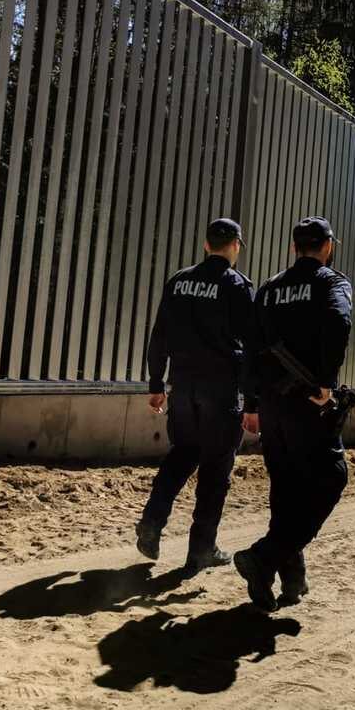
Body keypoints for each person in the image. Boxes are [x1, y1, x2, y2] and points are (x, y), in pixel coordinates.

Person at [234, 217, 353, 612]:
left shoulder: (269, 288)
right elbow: (339, 321)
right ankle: (263, 558)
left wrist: (250, 403)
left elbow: (250, 345)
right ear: (327, 247)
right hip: (309, 403)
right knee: (330, 479)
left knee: (286, 491)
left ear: (293, 247)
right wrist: (325, 381)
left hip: (270, 405)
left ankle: (288, 582)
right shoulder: (332, 282)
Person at [135, 218, 255, 574]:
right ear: (235, 246)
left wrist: (156, 384)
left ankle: (152, 521)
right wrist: (252, 401)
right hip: (220, 391)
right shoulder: (237, 285)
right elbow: (251, 348)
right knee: (216, 470)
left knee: (182, 455)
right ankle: (201, 548)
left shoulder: (179, 281)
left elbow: (159, 336)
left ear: (206, 245)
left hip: (183, 388)